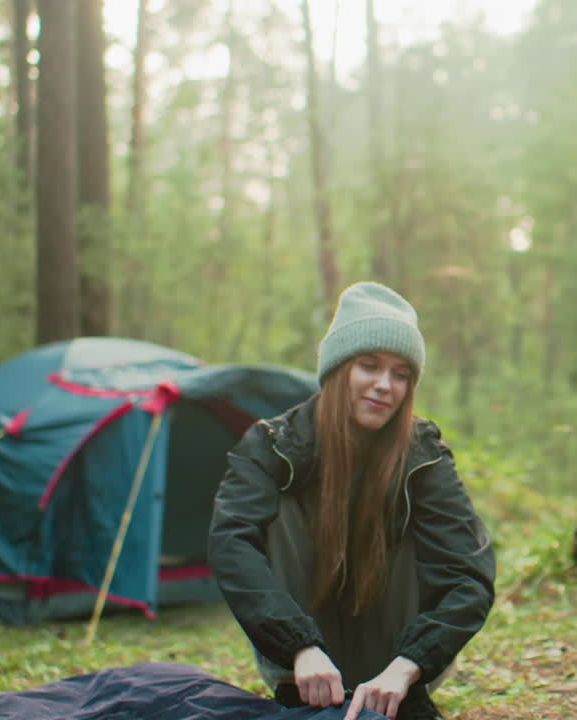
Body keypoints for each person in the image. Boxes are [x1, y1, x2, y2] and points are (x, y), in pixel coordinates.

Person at [209, 281, 496, 720]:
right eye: (369, 365)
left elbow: (469, 577)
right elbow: (231, 545)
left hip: (400, 666)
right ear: (338, 369)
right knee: (271, 514)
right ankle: (301, 687)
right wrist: (298, 648)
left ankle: (403, 694)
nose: (385, 385)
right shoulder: (272, 444)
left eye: (400, 374)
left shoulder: (423, 454)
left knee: (430, 529)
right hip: (302, 664)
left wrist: (407, 668)